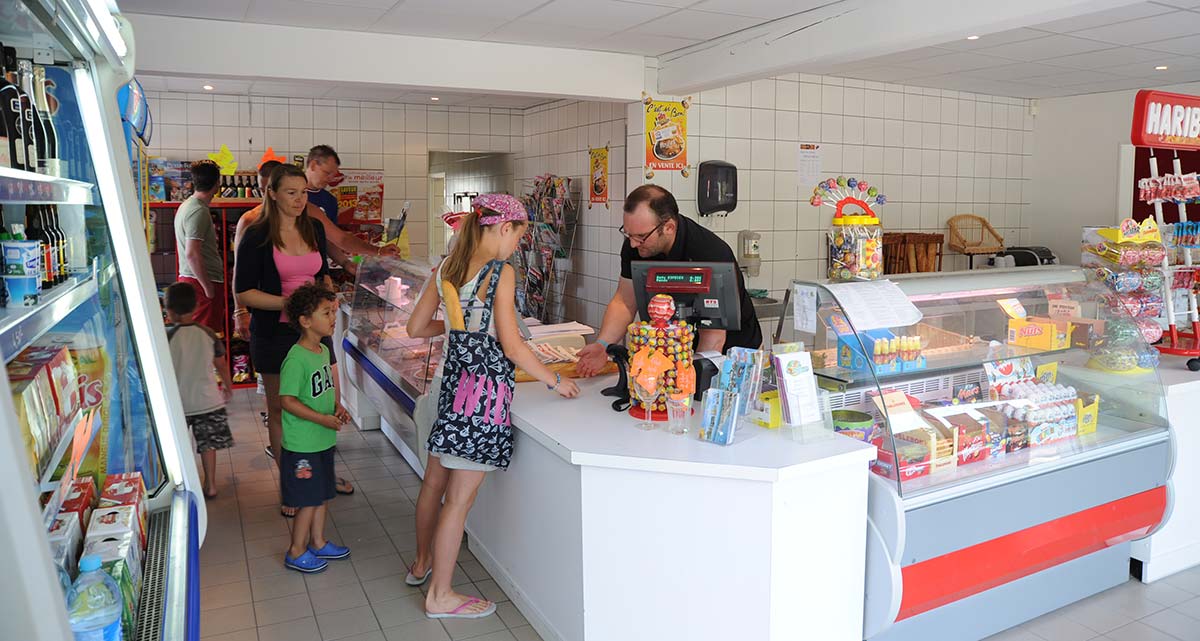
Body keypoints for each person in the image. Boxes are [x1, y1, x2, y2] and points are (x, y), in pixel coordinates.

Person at [405, 194, 579, 619]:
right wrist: (556, 380)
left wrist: (454, 327)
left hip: (449, 389)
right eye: (518, 237)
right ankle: (441, 595)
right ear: (504, 228)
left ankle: (422, 564)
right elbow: (514, 345)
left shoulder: (445, 268)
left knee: (434, 484)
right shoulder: (500, 273)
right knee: (459, 502)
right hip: (481, 398)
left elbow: (414, 327)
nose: (516, 247)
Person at [234, 163, 337, 518]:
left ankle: (319, 474)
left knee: (319, 402)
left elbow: (321, 273)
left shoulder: (313, 228)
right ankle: (290, 484)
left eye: (303, 192)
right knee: (281, 409)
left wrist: (326, 299)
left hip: (313, 332)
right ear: (273, 193)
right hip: (275, 333)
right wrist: (291, 305)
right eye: (291, 192)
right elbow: (244, 292)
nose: (298, 200)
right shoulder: (257, 234)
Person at [575, 184, 762, 377]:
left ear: (669, 227)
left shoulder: (709, 252)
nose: (632, 243)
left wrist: (684, 383)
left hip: (733, 354)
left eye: (641, 236)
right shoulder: (636, 245)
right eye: (628, 234)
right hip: (679, 350)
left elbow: (713, 338)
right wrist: (603, 345)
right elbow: (624, 301)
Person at [277, 283, 351, 573]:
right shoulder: (296, 359)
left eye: (333, 312)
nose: (333, 318)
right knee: (308, 500)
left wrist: (336, 408)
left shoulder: (321, 350)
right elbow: (287, 400)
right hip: (303, 445)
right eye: (326, 313)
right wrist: (320, 419)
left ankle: (318, 542)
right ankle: (296, 550)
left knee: (322, 494)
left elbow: (321, 390)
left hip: (322, 440)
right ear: (305, 321)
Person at [164, 282, 234, 499]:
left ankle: (182, 481)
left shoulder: (166, 335)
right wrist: (228, 385)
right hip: (208, 401)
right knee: (208, 445)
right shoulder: (207, 333)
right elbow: (221, 363)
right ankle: (210, 484)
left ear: (169, 310)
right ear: (195, 307)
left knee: (177, 444)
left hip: (178, 403)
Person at [302, 145, 394, 269]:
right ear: (313, 165)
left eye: (333, 175)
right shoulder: (296, 199)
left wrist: (346, 263)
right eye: (327, 173)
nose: (330, 179)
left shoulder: (329, 200)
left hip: (318, 268)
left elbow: (332, 240)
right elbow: (342, 240)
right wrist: (378, 251)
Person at [232, 159, 283, 340]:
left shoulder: (304, 219)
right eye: (262, 191)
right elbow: (239, 269)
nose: (266, 197)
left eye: (269, 190)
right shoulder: (250, 220)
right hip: (263, 309)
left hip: (298, 313)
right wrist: (240, 311)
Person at [174, 159, 225, 334]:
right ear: (217, 183)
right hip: (200, 283)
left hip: (195, 281)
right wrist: (208, 287)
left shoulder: (187, 206)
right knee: (203, 339)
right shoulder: (198, 211)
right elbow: (192, 254)